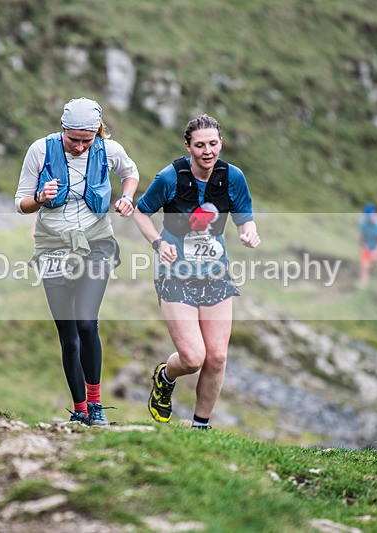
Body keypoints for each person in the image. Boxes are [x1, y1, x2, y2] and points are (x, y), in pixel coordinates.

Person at [15, 97, 139, 426]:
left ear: (97, 133)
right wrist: (40, 198)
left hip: (97, 243)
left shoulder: (108, 150)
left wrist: (126, 197)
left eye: (88, 140)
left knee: (86, 322)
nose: (81, 148)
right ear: (62, 130)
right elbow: (21, 202)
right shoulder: (40, 150)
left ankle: (96, 406)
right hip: (52, 248)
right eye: (74, 140)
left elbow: (131, 173)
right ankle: (80, 409)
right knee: (68, 335)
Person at [134, 114, 260, 429]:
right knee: (192, 358)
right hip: (174, 273)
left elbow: (245, 217)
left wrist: (249, 232)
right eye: (200, 145)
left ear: (221, 143)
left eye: (213, 144)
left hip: (215, 273)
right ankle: (165, 377)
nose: (207, 151)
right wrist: (157, 242)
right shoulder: (170, 177)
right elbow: (141, 212)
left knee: (216, 357)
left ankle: (200, 428)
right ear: (188, 146)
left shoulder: (233, 177)